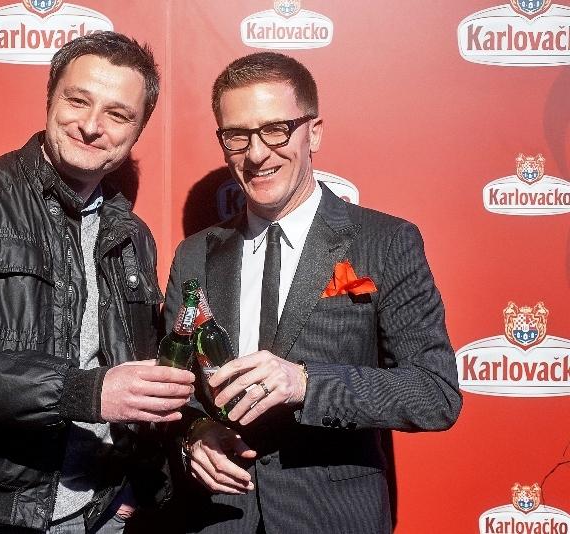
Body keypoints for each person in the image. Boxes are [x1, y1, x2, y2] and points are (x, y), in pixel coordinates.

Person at [0, 32, 195, 534]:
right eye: (78, 101)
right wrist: (83, 391)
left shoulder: (133, 236)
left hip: (97, 515)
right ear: (50, 98)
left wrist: (134, 485)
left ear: (138, 130)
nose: (92, 126)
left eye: (118, 114)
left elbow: (137, 375)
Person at [163, 52, 462, 533]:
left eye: (276, 130)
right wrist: (196, 433)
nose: (256, 154)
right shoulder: (195, 254)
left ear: (314, 133)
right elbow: (177, 393)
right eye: (237, 135)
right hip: (219, 519)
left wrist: (304, 383)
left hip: (334, 519)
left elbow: (435, 394)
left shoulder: (385, 242)